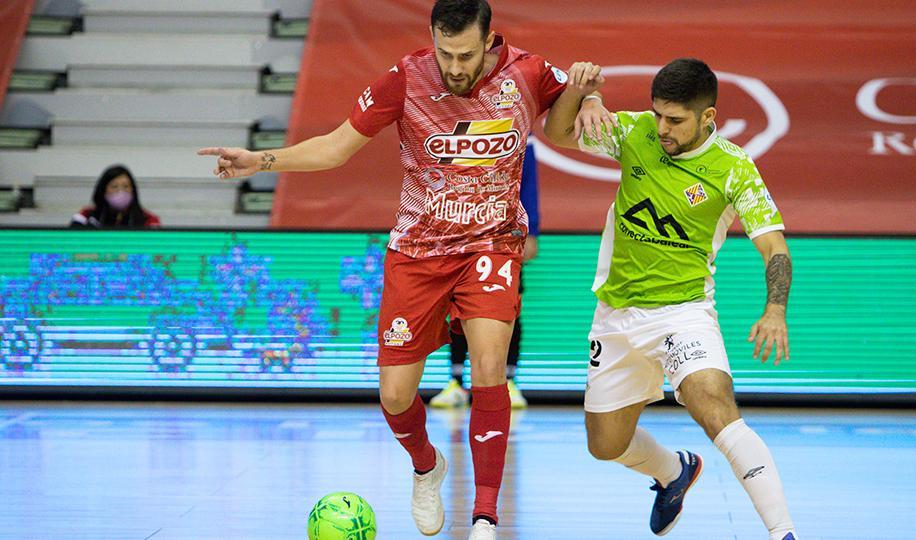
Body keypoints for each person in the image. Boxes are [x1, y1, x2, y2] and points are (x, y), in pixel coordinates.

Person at [198, 1, 610, 537]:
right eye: (445, 53)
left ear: (490, 42)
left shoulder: (525, 70)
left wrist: (592, 94)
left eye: (465, 55)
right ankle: (426, 465)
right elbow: (334, 149)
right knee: (394, 394)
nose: (454, 66)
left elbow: (564, 111)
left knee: (489, 368)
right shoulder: (406, 78)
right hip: (418, 254)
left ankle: (485, 516)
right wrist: (261, 159)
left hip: (491, 245)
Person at [544, 58, 798, 539]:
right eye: (657, 113)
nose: (662, 128)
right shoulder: (635, 132)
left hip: (684, 313)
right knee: (605, 444)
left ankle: (784, 532)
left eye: (675, 120)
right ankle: (673, 472)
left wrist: (776, 308)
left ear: (708, 117)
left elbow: (774, 247)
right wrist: (582, 94)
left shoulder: (734, 168)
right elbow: (557, 133)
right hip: (616, 314)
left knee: (715, 406)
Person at [429, 140, 540, 410]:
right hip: (458, 233)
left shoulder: (518, 128)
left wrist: (532, 230)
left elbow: (528, 183)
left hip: (502, 235)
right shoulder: (453, 128)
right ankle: (456, 382)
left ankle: (509, 382)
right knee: (456, 307)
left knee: (509, 309)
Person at [70, 165, 160, 228]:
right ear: (103, 191)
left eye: (126, 186)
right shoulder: (86, 216)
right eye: (114, 187)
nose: (120, 191)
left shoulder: (149, 219)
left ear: (133, 190)